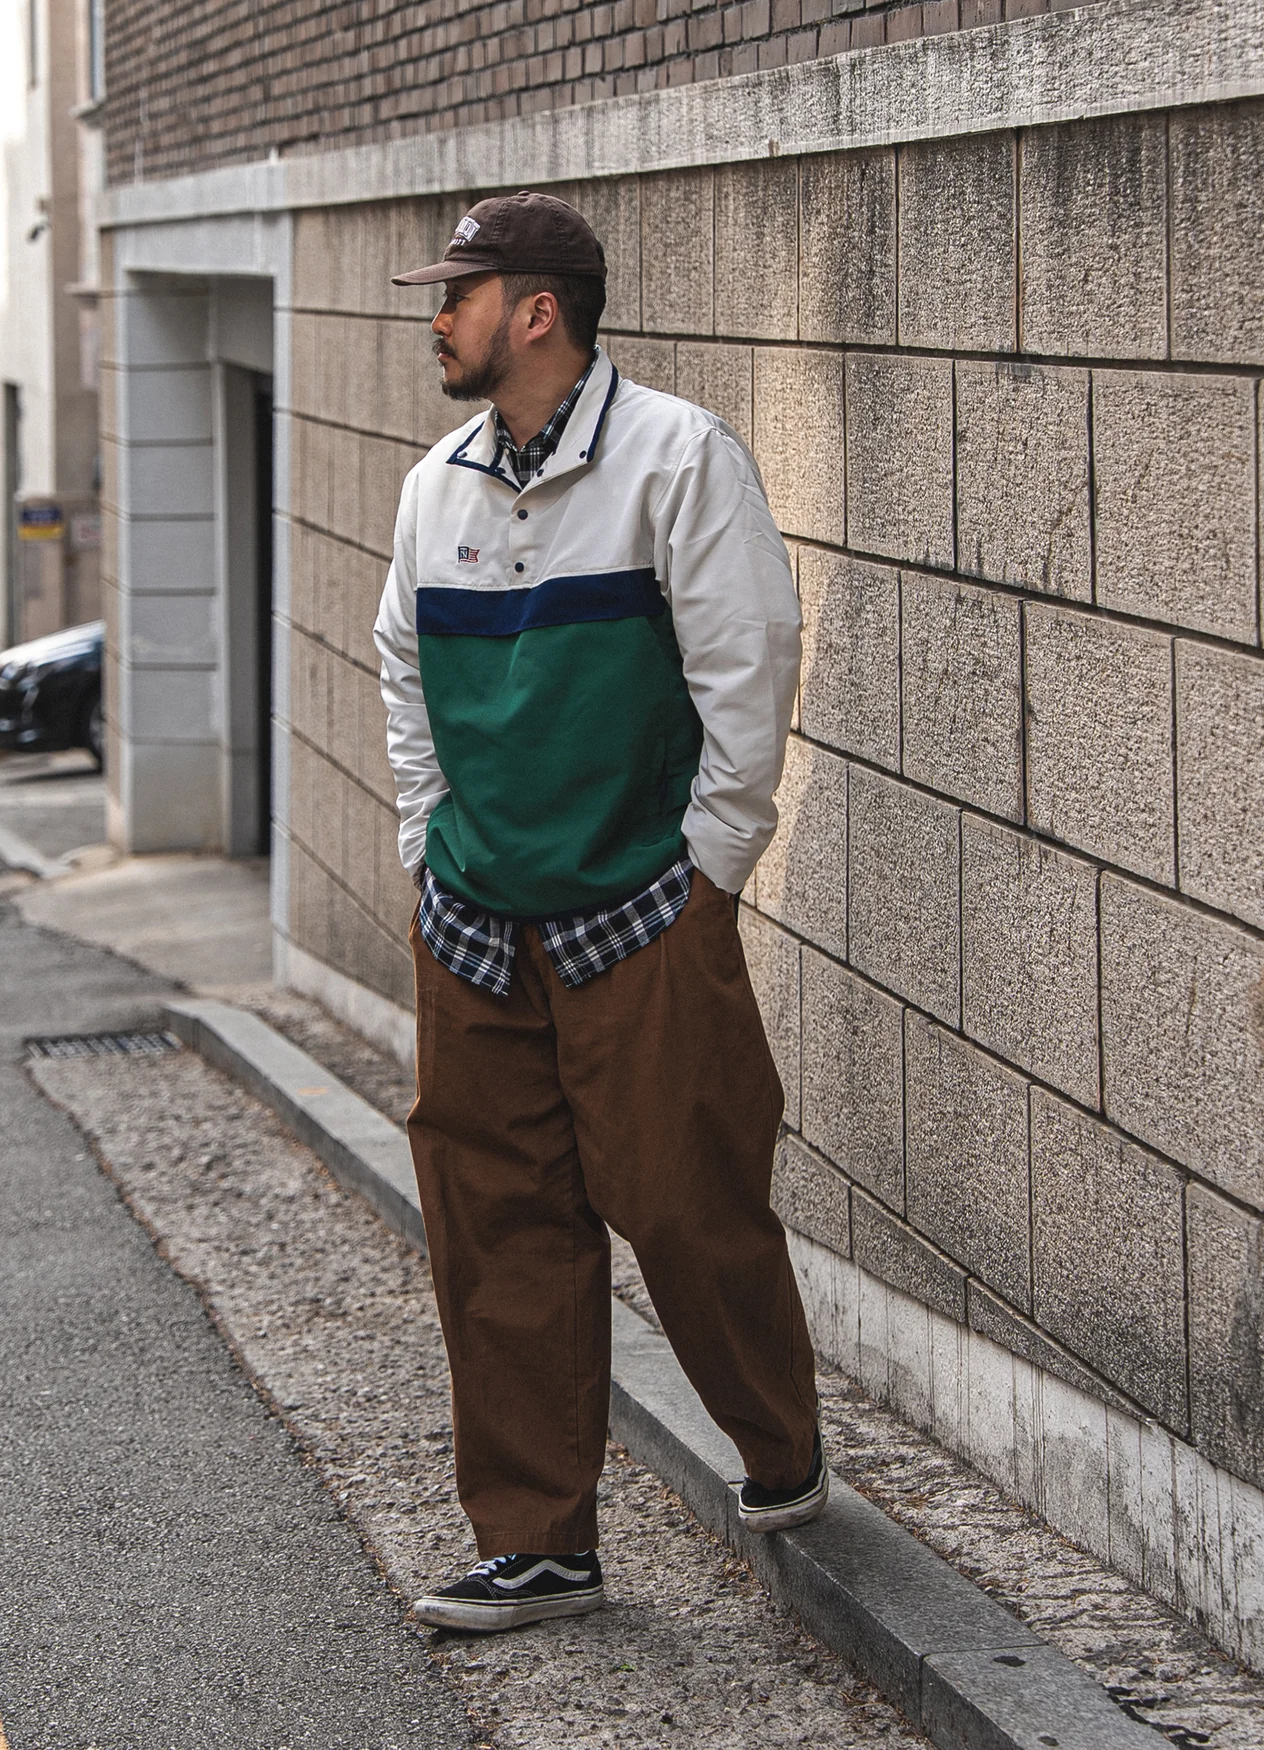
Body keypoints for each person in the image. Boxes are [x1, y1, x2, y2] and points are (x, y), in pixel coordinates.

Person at [374, 191, 824, 1636]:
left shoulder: (675, 457)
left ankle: (781, 1445)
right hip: (476, 923)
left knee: (688, 1205)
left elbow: (748, 664)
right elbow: (401, 665)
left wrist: (710, 877)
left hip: (640, 913)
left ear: (538, 311)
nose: (435, 315)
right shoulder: (436, 482)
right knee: (494, 1225)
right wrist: (424, 841)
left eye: (458, 292)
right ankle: (539, 1538)